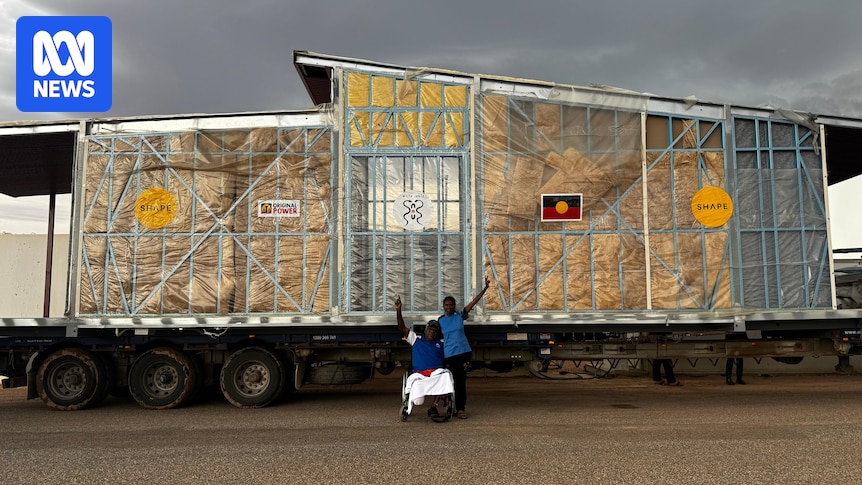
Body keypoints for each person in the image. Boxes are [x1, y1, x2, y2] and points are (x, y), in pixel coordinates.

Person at [438, 275, 491, 419]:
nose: (448, 307)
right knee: (449, 381)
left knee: (461, 382)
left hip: (462, 353)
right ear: (443, 307)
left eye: (451, 305)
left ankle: (460, 409)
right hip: (449, 354)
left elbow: (473, 302)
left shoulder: (460, 316)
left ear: (454, 307)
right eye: (446, 305)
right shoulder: (440, 321)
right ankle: (450, 406)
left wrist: (485, 288)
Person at [395, 296, 446, 417]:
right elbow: (401, 327)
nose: (432, 332)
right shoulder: (416, 339)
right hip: (419, 374)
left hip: (436, 374)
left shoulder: (442, 342)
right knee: (418, 401)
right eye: (430, 329)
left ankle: (434, 406)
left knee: (446, 377)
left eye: (434, 330)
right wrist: (398, 310)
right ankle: (410, 403)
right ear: (425, 330)